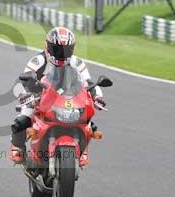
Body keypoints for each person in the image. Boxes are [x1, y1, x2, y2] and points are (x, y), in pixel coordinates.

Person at [9, 27, 106, 164]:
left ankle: (82, 150)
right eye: (57, 49)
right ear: (48, 46)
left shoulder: (76, 63)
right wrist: (23, 95)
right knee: (22, 121)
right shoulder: (38, 61)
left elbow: (88, 83)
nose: (62, 54)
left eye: (66, 50)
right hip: (39, 98)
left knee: (89, 125)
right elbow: (21, 81)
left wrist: (98, 97)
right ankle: (17, 148)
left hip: (68, 99)